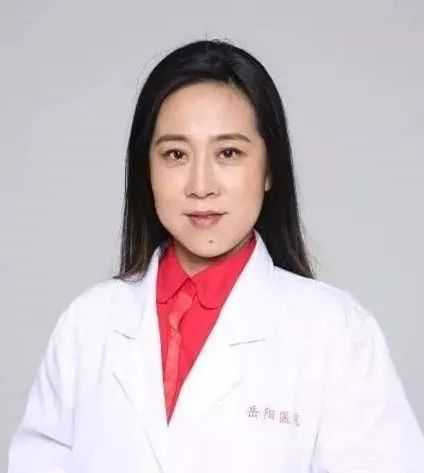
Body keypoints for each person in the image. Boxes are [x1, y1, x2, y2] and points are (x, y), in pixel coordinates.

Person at [7, 39, 424, 473]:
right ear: (146, 169)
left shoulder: (336, 332)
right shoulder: (88, 324)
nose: (201, 186)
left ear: (270, 169)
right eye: (176, 154)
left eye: (228, 153)